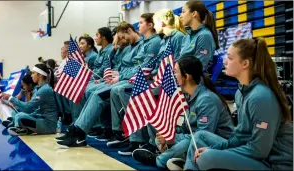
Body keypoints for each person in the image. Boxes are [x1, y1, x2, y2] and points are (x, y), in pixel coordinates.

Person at [184, 38, 293, 170]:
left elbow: (260, 150)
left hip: (273, 165)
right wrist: (212, 148)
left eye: (229, 58)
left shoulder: (261, 96)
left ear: (245, 63)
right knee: (200, 137)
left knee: (207, 158)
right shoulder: (240, 93)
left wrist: (218, 154)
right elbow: (240, 138)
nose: (224, 62)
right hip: (258, 157)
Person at [132, 56, 234, 169]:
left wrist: (172, 138)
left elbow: (202, 136)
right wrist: (168, 136)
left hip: (220, 145)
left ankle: (159, 160)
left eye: (175, 72)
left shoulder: (206, 100)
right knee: (161, 138)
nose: (172, 75)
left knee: (187, 142)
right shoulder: (187, 96)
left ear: (187, 76)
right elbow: (187, 127)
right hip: (194, 139)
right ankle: (178, 160)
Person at [56, 21, 148, 148]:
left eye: (122, 37)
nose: (122, 40)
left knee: (98, 94)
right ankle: (78, 128)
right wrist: (115, 72)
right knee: (92, 92)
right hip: (120, 78)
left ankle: (83, 131)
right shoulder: (128, 47)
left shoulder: (143, 45)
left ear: (129, 31)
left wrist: (118, 75)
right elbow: (120, 67)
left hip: (130, 80)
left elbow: (140, 68)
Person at [107, 13, 163, 155]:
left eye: (141, 22)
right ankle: (126, 133)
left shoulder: (154, 42)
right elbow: (136, 66)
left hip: (150, 79)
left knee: (122, 90)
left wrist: (122, 76)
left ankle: (138, 139)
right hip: (139, 77)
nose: (139, 25)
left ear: (150, 25)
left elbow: (145, 67)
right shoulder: (145, 42)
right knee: (116, 90)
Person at [3, 63, 58, 136]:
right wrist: (29, 115)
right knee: (19, 114)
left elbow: (28, 106)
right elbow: (37, 111)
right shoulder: (40, 88)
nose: (31, 75)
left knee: (20, 117)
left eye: (33, 73)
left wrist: (10, 98)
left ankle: (17, 127)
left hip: (48, 125)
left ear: (40, 75)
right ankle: (21, 127)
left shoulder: (45, 90)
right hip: (41, 119)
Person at [179, 0, 219, 72]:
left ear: (194, 13)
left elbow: (199, 67)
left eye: (183, 12)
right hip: (183, 77)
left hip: (195, 81)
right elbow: (180, 60)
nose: (180, 15)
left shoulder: (204, 36)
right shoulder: (186, 37)